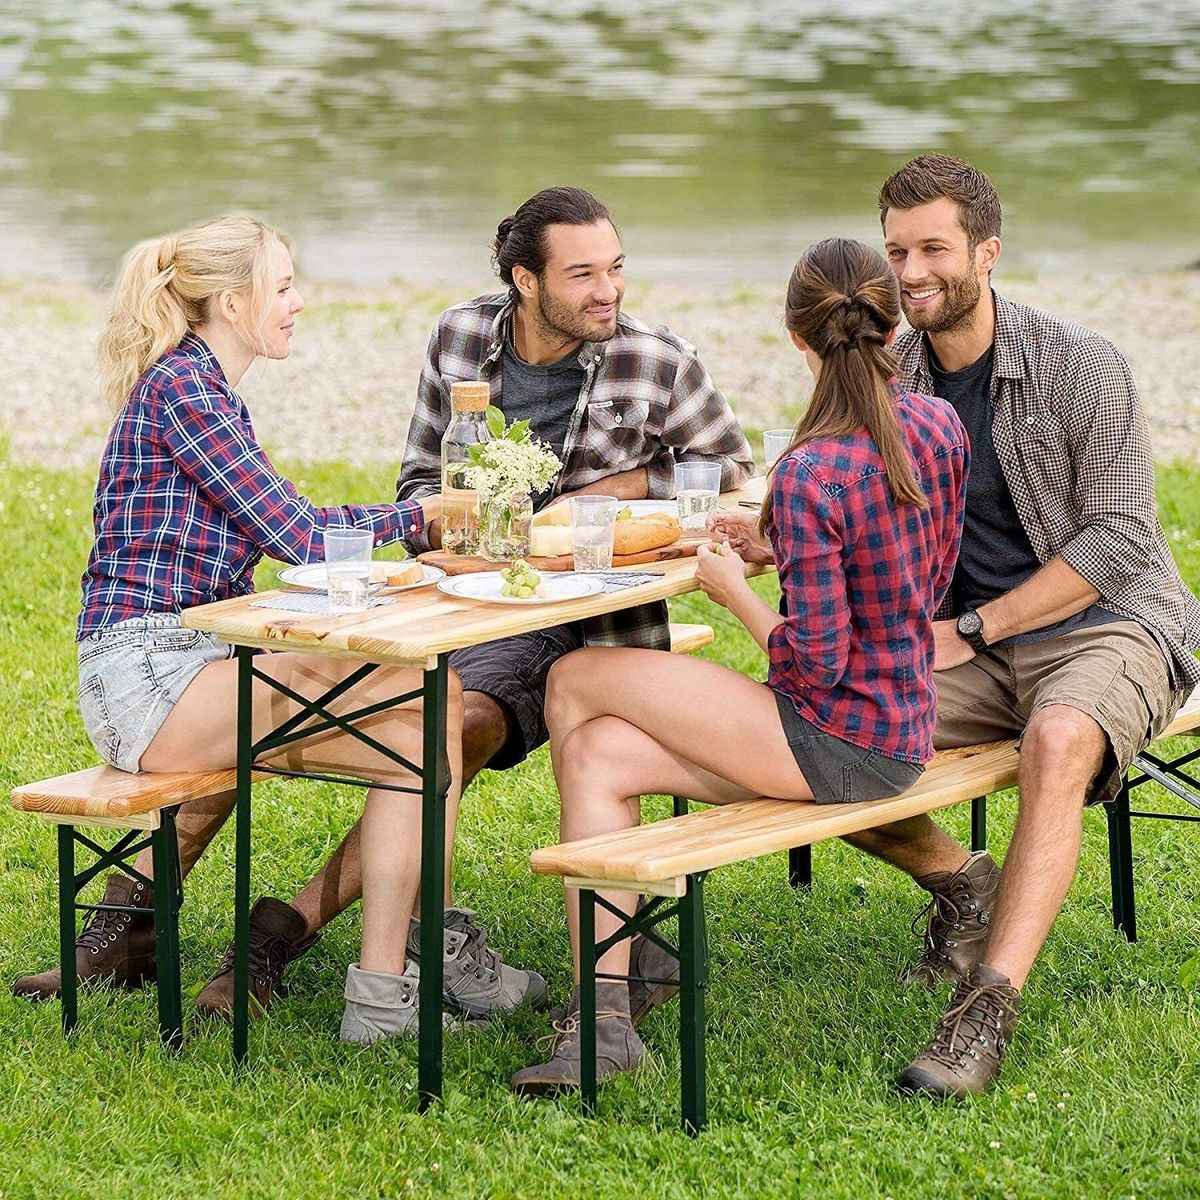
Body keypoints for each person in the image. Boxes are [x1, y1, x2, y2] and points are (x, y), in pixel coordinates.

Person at [143, 185, 754, 1023]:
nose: (607, 290)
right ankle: (152, 923)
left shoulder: (657, 359)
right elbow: (419, 483)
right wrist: (451, 528)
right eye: (583, 274)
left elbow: (729, 469)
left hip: (601, 617)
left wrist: (614, 490)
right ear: (525, 280)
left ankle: (278, 935)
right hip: (481, 604)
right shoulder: (461, 339)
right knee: (416, 709)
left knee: (421, 723)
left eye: (615, 268)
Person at [718, 155, 1200, 1099]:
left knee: (1059, 740)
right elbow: (868, 513)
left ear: (987, 249)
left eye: (933, 248)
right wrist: (788, 544)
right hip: (959, 640)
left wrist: (974, 628)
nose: (911, 271)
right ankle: (961, 881)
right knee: (809, 725)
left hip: (1109, 625)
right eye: (896, 251)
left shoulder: (1081, 364)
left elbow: (1116, 540)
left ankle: (985, 1010)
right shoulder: (884, 366)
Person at [509, 237, 970, 1094]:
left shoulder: (811, 469)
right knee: (593, 752)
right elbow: (919, 576)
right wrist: (786, 545)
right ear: (892, 323)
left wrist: (732, 590)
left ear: (799, 339)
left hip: (836, 737)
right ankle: (607, 1010)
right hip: (902, 719)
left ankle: (623, 954)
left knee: (573, 679)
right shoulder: (937, 426)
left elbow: (817, 660)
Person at [12, 215, 482, 1043]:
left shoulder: (205, 387)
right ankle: (382, 992)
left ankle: (378, 989)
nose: (299, 303)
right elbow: (298, 535)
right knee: (421, 717)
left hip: (191, 663)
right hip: (146, 680)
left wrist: (413, 530)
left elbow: (290, 531)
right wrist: (423, 518)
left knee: (425, 721)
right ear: (232, 301)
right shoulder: (184, 390)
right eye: (286, 285)